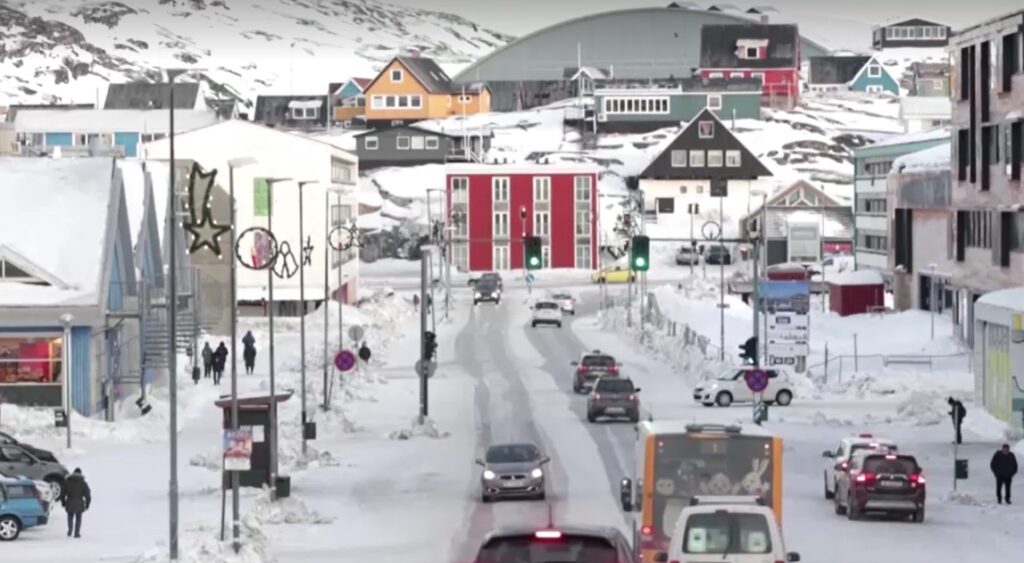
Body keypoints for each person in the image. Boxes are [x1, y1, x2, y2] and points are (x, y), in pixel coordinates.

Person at [59, 467, 91, 538]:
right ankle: (77, 533)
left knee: (70, 517)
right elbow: (87, 495)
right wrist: (87, 504)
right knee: (78, 518)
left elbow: (62, 493)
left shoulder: (67, 482)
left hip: (70, 502)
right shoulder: (83, 483)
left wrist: (63, 502)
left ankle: (70, 530)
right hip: (79, 503)